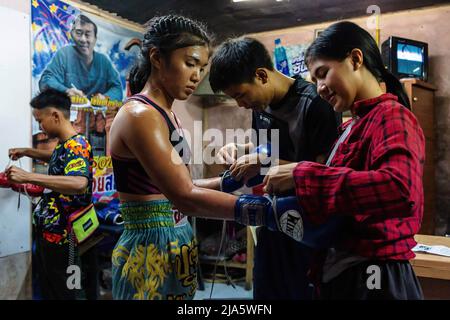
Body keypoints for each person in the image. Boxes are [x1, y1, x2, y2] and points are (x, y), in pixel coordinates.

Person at [109, 14, 342, 301]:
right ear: (157, 58)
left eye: (201, 67)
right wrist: (261, 207)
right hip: (152, 245)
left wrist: (231, 179)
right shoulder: (141, 115)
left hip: (184, 238)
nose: (196, 75)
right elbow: (184, 195)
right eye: (190, 63)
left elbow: (181, 189)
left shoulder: (166, 114)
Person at [262, 21, 425, 300]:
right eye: (314, 81)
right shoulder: (351, 127)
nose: (321, 88)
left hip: (375, 279)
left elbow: (400, 189)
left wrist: (303, 175)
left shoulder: (391, 116)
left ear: (355, 59)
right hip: (346, 274)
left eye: (323, 74)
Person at [208, 37, 340, 299]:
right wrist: (241, 150)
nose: (241, 105)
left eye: (240, 95)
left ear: (261, 75)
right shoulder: (260, 105)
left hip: (309, 226)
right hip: (271, 217)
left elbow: (328, 173)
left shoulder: (316, 103)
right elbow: (266, 149)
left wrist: (262, 161)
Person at [7, 88, 94, 299]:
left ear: (55, 115)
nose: (40, 127)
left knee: (68, 293)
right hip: (52, 237)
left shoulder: (78, 145)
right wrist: (27, 151)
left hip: (66, 240)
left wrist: (28, 177)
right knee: (53, 290)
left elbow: (78, 183)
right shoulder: (66, 146)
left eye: (40, 120)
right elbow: (57, 158)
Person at [39, 14, 123, 136]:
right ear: (72, 34)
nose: (83, 39)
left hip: (97, 127)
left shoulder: (103, 61)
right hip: (68, 126)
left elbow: (117, 88)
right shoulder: (64, 54)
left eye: (88, 34)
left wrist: (105, 98)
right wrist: (66, 91)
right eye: (79, 33)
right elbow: (46, 80)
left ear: (95, 38)